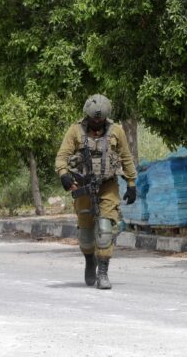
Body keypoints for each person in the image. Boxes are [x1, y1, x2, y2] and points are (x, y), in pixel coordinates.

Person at [55, 94, 137, 290]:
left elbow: (126, 158)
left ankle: (103, 273)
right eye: (94, 119)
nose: (97, 123)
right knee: (85, 233)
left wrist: (132, 183)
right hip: (83, 186)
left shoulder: (117, 131)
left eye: (100, 120)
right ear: (88, 116)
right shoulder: (75, 131)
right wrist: (64, 174)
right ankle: (89, 260)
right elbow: (61, 157)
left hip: (108, 185)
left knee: (105, 228)